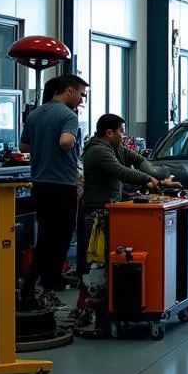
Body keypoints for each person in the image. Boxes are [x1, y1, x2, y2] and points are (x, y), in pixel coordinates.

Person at [76, 114, 179, 331]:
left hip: (111, 210)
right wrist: (147, 180)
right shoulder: (98, 151)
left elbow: (139, 161)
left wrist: (160, 177)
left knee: (112, 259)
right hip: (96, 213)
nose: (124, 135)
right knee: (95, 261)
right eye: (121, 131)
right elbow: (121, 171)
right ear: (109, 132)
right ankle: (86, 306)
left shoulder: (117, 147)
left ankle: (111, 304)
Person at [18, 73, 88, 311]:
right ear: (69, 90)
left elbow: (23, 146)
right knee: (60, 240)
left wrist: (43, 143)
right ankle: (44, 288)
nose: (81, 99)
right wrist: (65, 139)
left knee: (46, 237)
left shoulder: (36, 114)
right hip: (62, 185)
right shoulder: (68, 116)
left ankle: (34, 287)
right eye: (80, 94)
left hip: (39, 184)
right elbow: (66, 142)